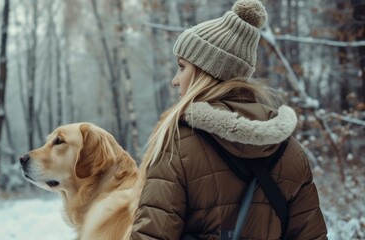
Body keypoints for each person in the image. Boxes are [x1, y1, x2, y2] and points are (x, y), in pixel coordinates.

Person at [130, 0, 328, 239]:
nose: (175, 80)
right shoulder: (290, 151)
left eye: (182, 67)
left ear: (206, 73)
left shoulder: (178, 145)